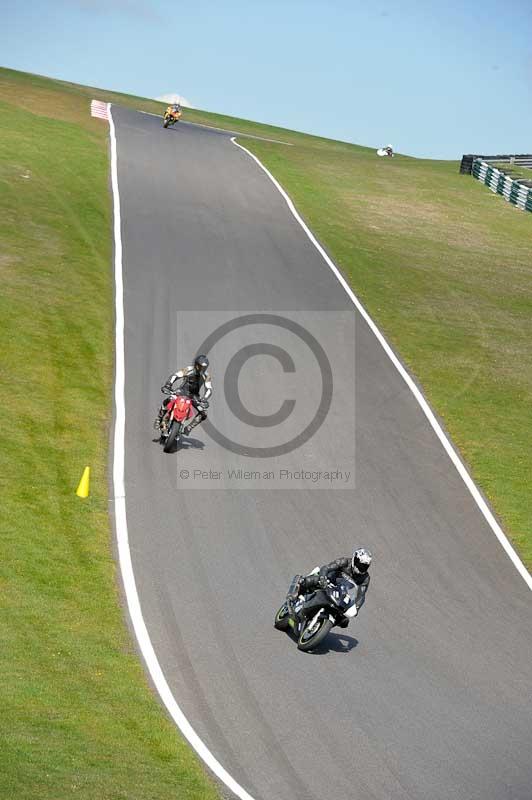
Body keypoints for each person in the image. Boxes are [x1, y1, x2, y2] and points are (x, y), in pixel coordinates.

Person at [287, 548, 372, 628]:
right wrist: (323, 578)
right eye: (360, 564)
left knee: (344, 621)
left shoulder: (365, 578)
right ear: (355, 559)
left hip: (341, 593)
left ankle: (322, 625)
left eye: (365, 566)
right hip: (328, 581)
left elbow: (361, 595)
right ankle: (293, 596)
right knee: (307, 581)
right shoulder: (344, 562)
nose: (361, 568)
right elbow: (326, 568)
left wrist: (356, 608)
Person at [154, 354, 212, 435]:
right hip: (181, 391)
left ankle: (189, 427)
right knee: (169, 399)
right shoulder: (189, 369)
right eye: (199, 366)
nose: (201, 369)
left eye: (203, 367)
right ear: (195, 364)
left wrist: (204, 399)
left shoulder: (207, 376)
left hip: (194, 396)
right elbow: (176, 375)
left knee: (204, 413)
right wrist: (168, 385)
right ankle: (159, 418)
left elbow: (209, 389)